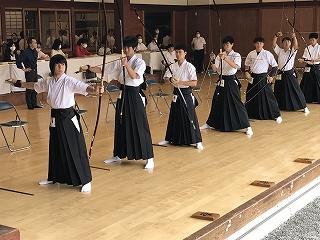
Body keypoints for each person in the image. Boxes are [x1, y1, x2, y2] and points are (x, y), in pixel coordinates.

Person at [7, 54, 103, 193]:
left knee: (74, 148)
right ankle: (54, 177)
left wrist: (94, 89)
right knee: (55, 147)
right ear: (52, 67)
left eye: (63, 64)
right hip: (55, 116)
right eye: (58, 64)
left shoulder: (69, 81)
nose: (61, 67)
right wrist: (17, 83)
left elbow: (84, 87)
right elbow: (33, 86)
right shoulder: (49, 81)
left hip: (68, 117)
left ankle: (85, 180)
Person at [88, 36, 154, 169]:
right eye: (124, 47)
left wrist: (126, 64)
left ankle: (149, 157)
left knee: (139, 125)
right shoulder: (121, 61)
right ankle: (118, 154)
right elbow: (104, 69)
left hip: (134, 95)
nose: (125, 50)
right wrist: (90, 68)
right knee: (120, 124)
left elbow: (134, 76)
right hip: (122, 94)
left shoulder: (139, 62)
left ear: (134, 48)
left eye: (128, 48)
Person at [201, 36, 253, 136]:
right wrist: (212, 60)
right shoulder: (219, 55)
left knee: (236, 103)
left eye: (228, 45)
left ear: (232, 45)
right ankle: (210, 123)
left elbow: (236, 67)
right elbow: (216, 69)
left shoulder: (236, 55)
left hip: (231, 80)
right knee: (216, 102)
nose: (226, 46)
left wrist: (225, 58)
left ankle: (247, 126)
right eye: (224, 45)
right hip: (221, 80)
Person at [158, 44, 203, 150]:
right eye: (176, 52)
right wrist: (170, 80)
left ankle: (197, 140)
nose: (178, 54)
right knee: (174, 116)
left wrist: (180, 82)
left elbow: (194, 83)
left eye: (180, 52)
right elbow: (165, 79)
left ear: (185, 53)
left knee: (190, 116)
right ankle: (170, 138)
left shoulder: (190, 66)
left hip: (186, 93)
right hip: (176, 94)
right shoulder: (172, 66)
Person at [244, 36, 282, 123]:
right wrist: (246, 72)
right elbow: (246, 65)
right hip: (253, 77)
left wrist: (271, 76)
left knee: (268, 96)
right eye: (257, 43)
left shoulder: (267, 53)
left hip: (263, 77)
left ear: (263, 44)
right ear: (254, 44)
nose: (259, 45)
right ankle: (249, 115)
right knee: (251, 95)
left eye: (260, 43)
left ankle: (276, 115)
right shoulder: (251, 54)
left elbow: (275, 66)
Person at [272, 31, 309, 113]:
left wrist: (294, 37)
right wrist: (276, 36)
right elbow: (274, 45)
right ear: (282, 43)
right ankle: (280, 105)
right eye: (284, 41)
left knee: (295, 89)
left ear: (290, 44)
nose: (286, 43)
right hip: (280, 73)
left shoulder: (292, 51)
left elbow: (296, 46)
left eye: (288, 42)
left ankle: (303, 106)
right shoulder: (280, 51)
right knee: (279, 89)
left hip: (289, 73)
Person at [16, 37, 42, 110]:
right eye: (35, 42)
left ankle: (34, 103)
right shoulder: (25, 52)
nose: (36, 44)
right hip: (29, 71)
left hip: (35, 71)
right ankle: (29, 105)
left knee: (35, 87)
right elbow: (18, 61)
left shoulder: (35, 51)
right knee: (29, 88)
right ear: (30, 44)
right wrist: (23, 69)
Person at [299, 32, 320, 103]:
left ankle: (317, 98)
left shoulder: (319, 47)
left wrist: (315, 60)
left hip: (316, 67)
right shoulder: (307, 48)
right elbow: (304, 58)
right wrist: (302, 60)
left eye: (313, 40)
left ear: (317, 39)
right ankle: (306, 98)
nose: (311, 41)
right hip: (308, 67)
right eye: (310, 40)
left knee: (317, 82)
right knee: (306, 82)